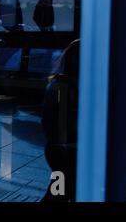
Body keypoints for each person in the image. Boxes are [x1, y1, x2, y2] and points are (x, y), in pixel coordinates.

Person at [41, 39, 80, 202]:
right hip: (65, 152)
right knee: (60, 194)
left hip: (58, 151)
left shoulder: (58, 83)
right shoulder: (65, 87)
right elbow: (62, 126)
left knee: (59, 194)